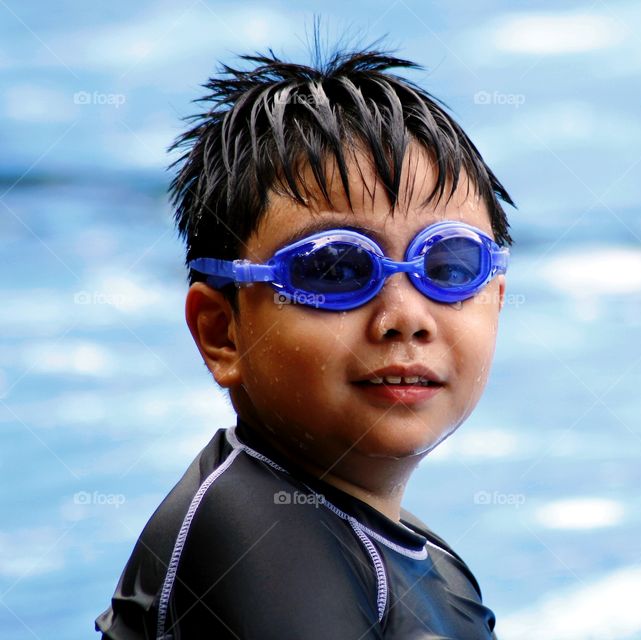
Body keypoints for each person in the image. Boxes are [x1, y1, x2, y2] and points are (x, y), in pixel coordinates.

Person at [94, 36, 515, 639]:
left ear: (495, 300)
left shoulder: (421, 558)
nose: (405, 316)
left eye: (449, 266)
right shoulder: (253, 531)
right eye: (335, 269)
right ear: (223, 333)